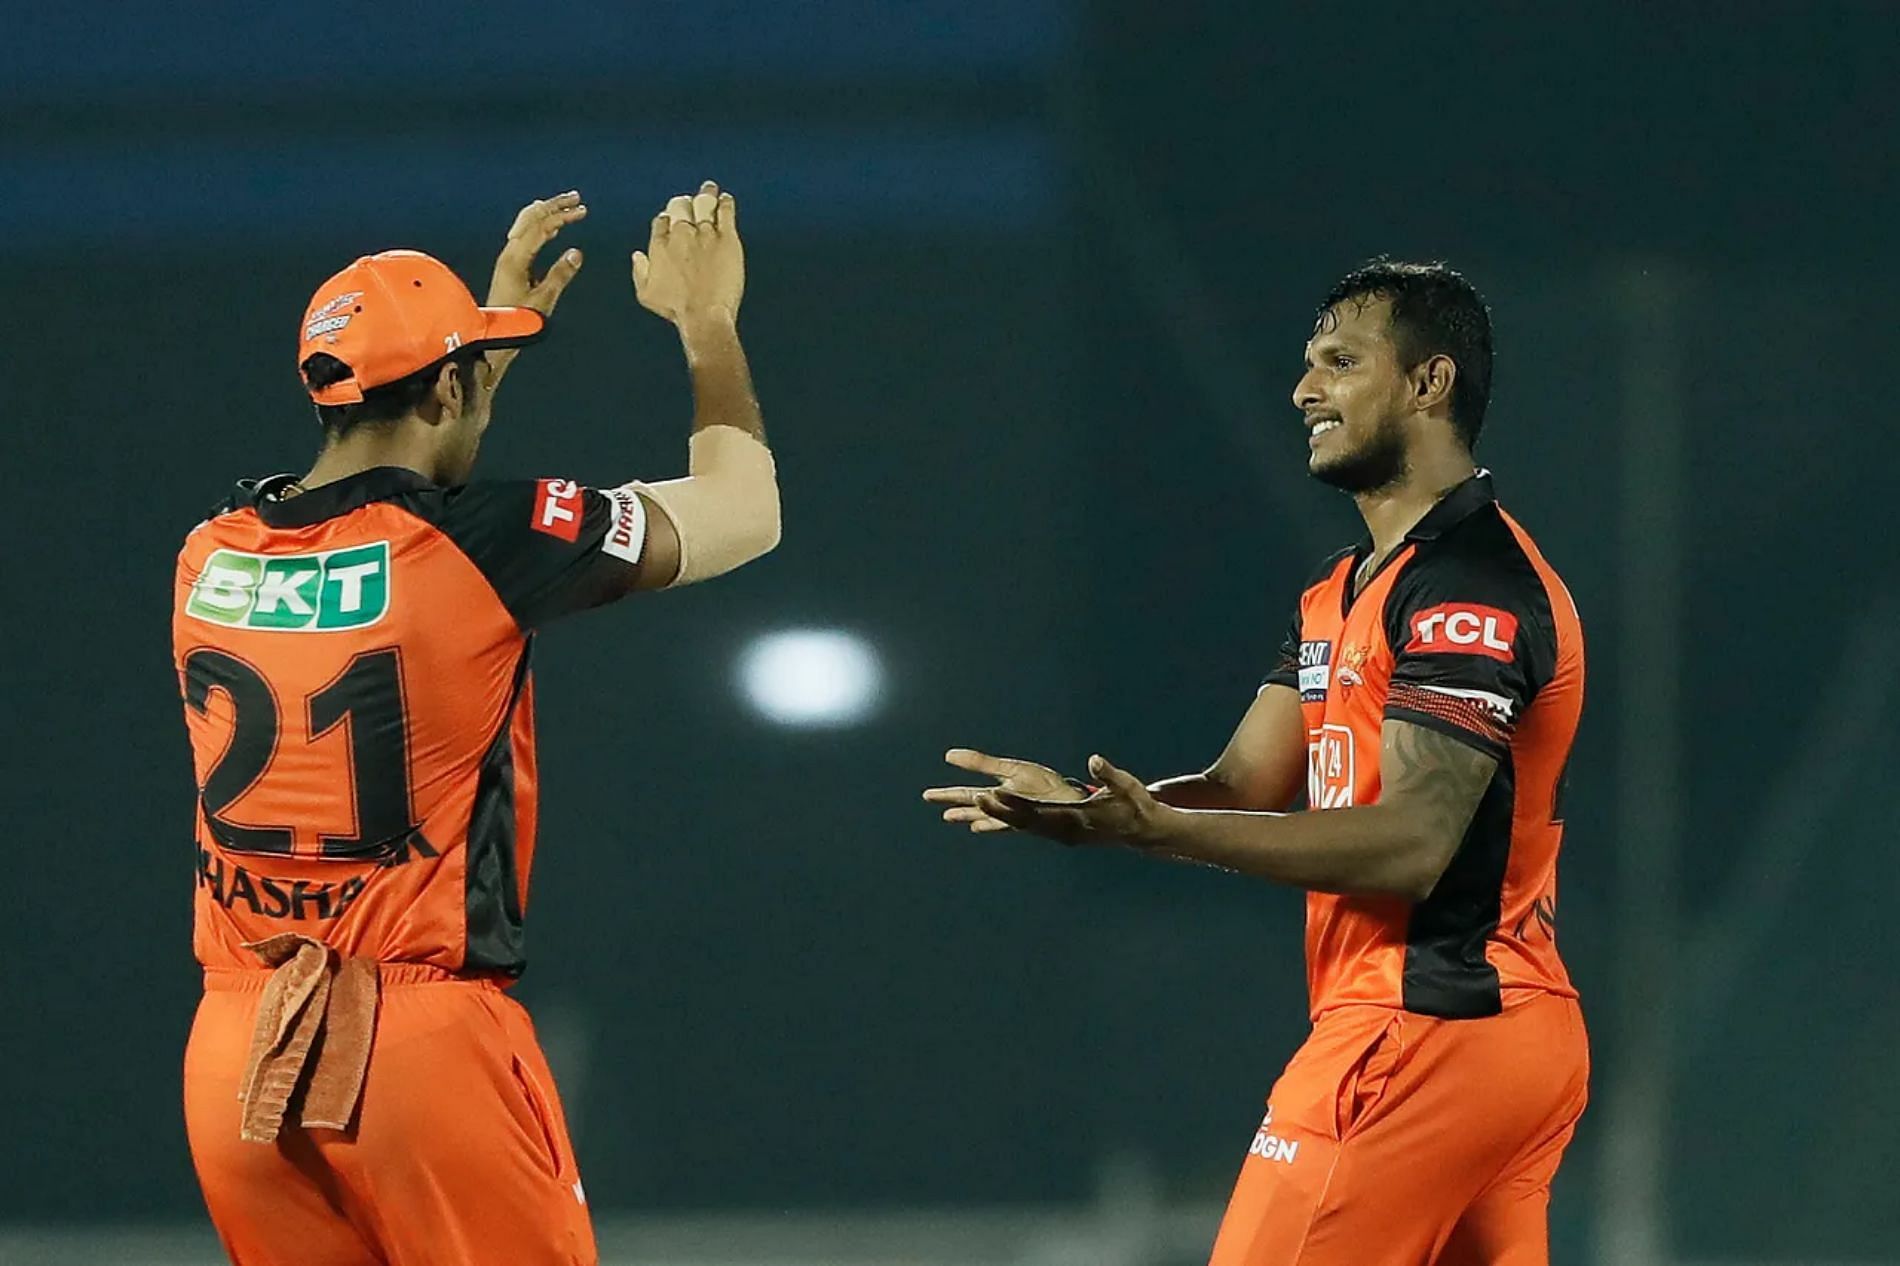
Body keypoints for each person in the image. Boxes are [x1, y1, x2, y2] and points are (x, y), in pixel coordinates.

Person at [924, 261, 1587, 1265]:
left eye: (1338, 361)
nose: (1303, 390)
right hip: (1485, 1032)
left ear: (1428, 383)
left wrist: (1159, 828)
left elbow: (1413, 844)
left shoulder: (1472, 587)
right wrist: (1099, 809)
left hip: (1424, 1025)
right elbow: (1239, 786)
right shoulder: (1340, 588)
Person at [174, 181, 777, 1266]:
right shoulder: (482, 543)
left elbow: (384, 499)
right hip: (415, 1053)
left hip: (236, 1060)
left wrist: (475, 357)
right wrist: (708, 325)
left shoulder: (207, 554)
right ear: (451, 385)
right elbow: (745, 511)